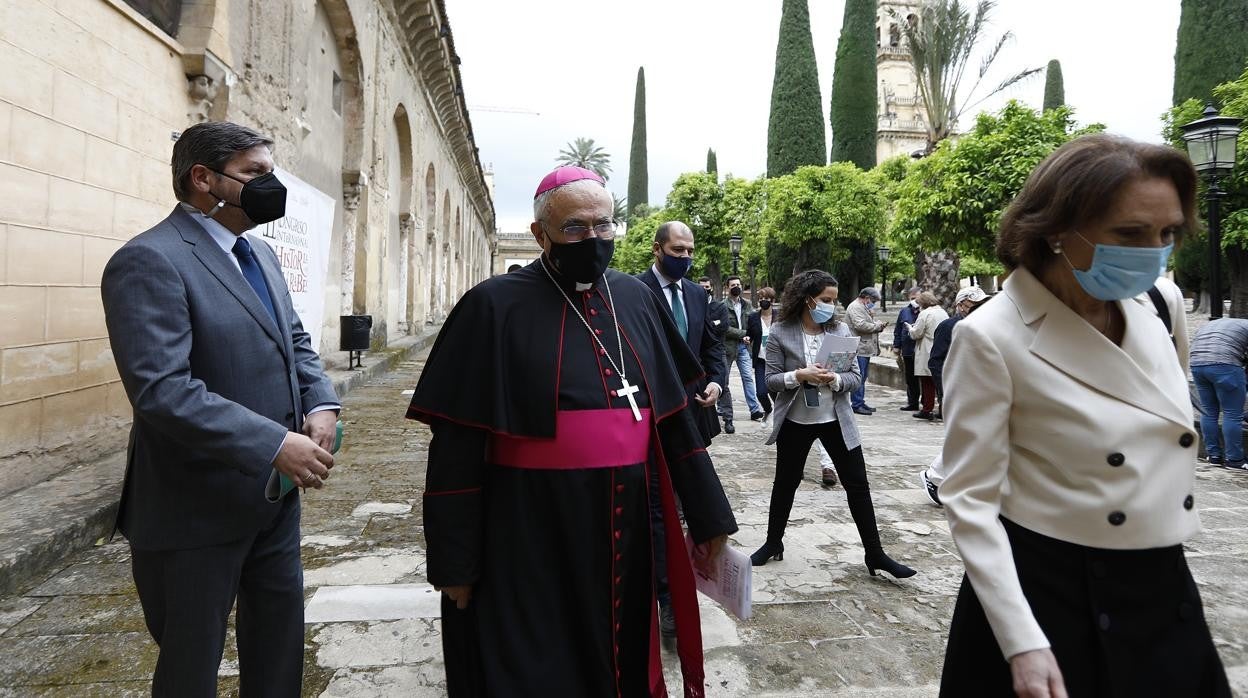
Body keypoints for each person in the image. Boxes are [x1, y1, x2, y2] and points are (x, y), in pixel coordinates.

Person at [406, 166, 738, 697]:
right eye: (576, 228)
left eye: (604, 225)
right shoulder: (492, 307)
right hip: (527, 529)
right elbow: (456, 450)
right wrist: (454, 562)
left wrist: (708, 519)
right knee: (534, 663)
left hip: (626, 524)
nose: (594, 239)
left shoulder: (635, 298)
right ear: (542, 235)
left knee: (622, 656)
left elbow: (675, 425)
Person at [938, 134, 1229, 697]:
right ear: (1055, 229)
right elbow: (969, 499)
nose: (1153, 251)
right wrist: (1021, 639)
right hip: (1054, 591)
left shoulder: (1160, 304)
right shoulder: (991, 336)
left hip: (1163, 580)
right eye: (1130, 234)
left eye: (1167, 234)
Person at [100, 121, 340, 697]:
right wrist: (274, 444)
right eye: (256, 173)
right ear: (204, 179)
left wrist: (322, 402)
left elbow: (296, 343)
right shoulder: (148, 261)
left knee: (279, 644)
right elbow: (163, 390)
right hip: (195, 508)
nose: (270, 185)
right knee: (191, 664)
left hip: (272, 502)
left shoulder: (259, 253)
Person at [750, 269, 915, 580]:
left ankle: (875, 553)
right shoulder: (782, 331)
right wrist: (799, 375)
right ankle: (773, 543)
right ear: (807, 299)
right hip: (796, 421)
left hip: (835, 420)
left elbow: (854, 377)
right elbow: (770, 381)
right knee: (785, 483)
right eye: (825, 300)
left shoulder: (839, 330)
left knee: (858, 484)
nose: (831, 306)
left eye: (834, 300)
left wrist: (835, 378)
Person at [637, 221, 728, 640]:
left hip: (692, 414)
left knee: (681, 502)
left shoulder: (697, 295)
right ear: (658, 249)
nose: (686, 258)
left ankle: (678, 588)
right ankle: (663, 591)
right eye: (678, 250)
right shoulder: (632, 292)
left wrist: (715, 380)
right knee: (655, 506)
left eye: (690, 250)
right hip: (647, 417)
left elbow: (712, 347)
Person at [1190, 318, 1248, 471]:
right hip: (1225, 364)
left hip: (1196, 364)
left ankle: (1214, 456)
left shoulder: (1220, 324)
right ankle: (1235, 460)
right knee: (1232, 414)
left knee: (1208, 411)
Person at [928, 286, 991, 418]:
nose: (980, 307)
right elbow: (936, 361)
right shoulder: (948, 327)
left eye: (982, 304)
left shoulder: (987, 324)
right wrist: (946, 389)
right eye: (975, 304)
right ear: (961, 305)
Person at [717, 275, 766, 431]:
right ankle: (724, 412)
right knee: (724, 381)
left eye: (738, 284)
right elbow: (724, 328)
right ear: (727, 287)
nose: (736, 287)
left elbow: (754, 321)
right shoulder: (722, 306)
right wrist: (744, 333)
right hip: (728, 347)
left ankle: (754, 409)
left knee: (747, 377)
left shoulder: (747, 305)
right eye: (733, 285)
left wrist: (750, 335)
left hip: (744, 347)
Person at [906, 292, 948, 421]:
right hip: (941, 349)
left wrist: (909, 328)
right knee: (940, 383)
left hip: (926, 350)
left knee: (927, 382)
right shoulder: (943, 312)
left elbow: (917, 333)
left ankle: (927, 409)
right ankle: (942, 409)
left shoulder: (925, 314)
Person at [845, 287, 887, 416]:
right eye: (873, 300)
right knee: (860, 376)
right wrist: (877, 326)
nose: (873, 303)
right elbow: (860, 325)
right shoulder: (856, 307)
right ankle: (857, 404)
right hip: (859, 348)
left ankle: (860, 402)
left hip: (864, 347)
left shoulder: (862, 306)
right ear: (867, 297)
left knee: (863, 377)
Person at [745, 286, 778, 423]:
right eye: (761, 299)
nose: (763, 301)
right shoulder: (753, 317)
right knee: (761, 392)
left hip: (777, 361)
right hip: (761, 360)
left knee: (776, 392)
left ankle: (783, 414)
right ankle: (768, 409)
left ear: (772, 300)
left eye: (766, 299)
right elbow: (749, 334)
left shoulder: (780, 317)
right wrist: (747, 339)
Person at [892, 287, 923, 410]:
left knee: (924, 378)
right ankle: (912, 403)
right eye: (912, 298)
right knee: (910, 378)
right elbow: (898, 330)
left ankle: (926, 403)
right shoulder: (904, 311)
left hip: (921, 350)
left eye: (917, 298)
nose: (914, 300)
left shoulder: (925, 312)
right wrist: (896, 345)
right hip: (908, 350)